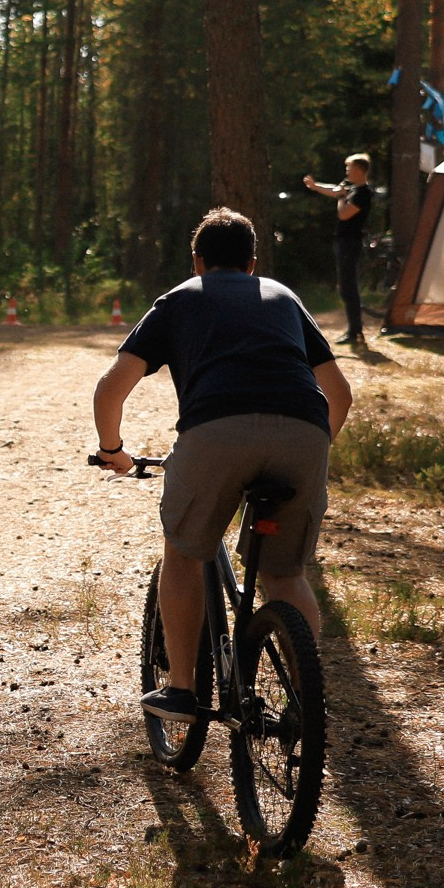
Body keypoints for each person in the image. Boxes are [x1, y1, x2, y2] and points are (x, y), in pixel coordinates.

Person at [92, 210, 353, 724]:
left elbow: (111, 387)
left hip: (215, 431)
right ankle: (306, 705)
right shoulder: (284, 297)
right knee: (285, 573)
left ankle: (183, 689)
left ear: (197, 261)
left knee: (185, 551)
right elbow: (339, 394)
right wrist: (312, 450)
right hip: (304, 432)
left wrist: (113, 450)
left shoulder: (180, 298)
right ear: (253, 264)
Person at [302, 154, 375, 345]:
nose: (347, 172)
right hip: (343, 243)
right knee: (345, 287)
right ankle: (354, 330)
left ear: (360, 171)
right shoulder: (353, 190)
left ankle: (355, 332)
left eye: (349, 169)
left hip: (350, 244)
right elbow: (335, 191)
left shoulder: (363, 194)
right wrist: (315, 186)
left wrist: (342, 196)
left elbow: (344, 214)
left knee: (348, 288)